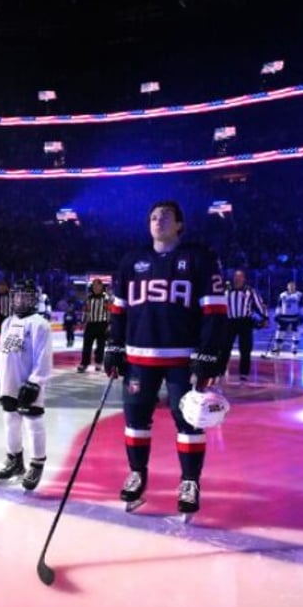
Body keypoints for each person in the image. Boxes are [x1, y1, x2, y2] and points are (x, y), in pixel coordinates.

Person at [104, 200, 227, 517]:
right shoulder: (132, 261)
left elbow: (214, 310)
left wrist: (207, 353)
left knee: (188, 419)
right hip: (138, 357)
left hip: (182, 358)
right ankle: (137, 473)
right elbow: (118, 309)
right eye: (154, 217)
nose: (158, 221)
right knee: (135, 420)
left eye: (166, 216)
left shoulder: (199, 258)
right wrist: (113, 346)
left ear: (180, 225)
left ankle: (189, 481)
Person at [0, 279, 53, 491]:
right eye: (17, 295)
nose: (20, 299)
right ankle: (14, 460)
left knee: (33, 421)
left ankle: (37, 463)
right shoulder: (7, 322)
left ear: (34, 299)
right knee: (10, 420)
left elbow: (43, 356)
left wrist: (35, 382)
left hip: (28, 381)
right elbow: (0, 352)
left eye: (26, 296)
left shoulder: (39, 324)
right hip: (8, 381)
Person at [223, 269, 267, 379]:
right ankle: (220, 370)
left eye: (239, 277)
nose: (237, 279)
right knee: (224, 347)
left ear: (244, 279)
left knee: (245, 348)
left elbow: (259, 305)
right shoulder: (226, 291)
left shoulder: (250, 291)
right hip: (229, 322)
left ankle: (244, 373)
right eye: (235, 277)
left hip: (244, 321)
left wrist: (265, 318)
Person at [77, 279, 110, 372]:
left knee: (101, 345)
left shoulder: (106, 298)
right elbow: (85, 310)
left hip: (102, 324)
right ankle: (84, 363)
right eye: (94, 286)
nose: (96, 288)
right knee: (87, 345)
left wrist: (109, 324)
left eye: (97, 286)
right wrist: (82, 322)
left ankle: (99, 363)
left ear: (101, 287)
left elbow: (109, 312)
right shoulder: (89, 298)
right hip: (91, 324)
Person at [270, 281, 303, 356]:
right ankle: (277, 347)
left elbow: (302, 306)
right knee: (280, 332)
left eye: (293, 286)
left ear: (295, 287)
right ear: (287, 287)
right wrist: (277, 314)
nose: (291, 287)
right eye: (290, 286)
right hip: (284, 316)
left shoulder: (299, 295)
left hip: (295, 317)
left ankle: (294, 348)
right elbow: (279, 305)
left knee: (296, 332)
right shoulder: (282, 295)